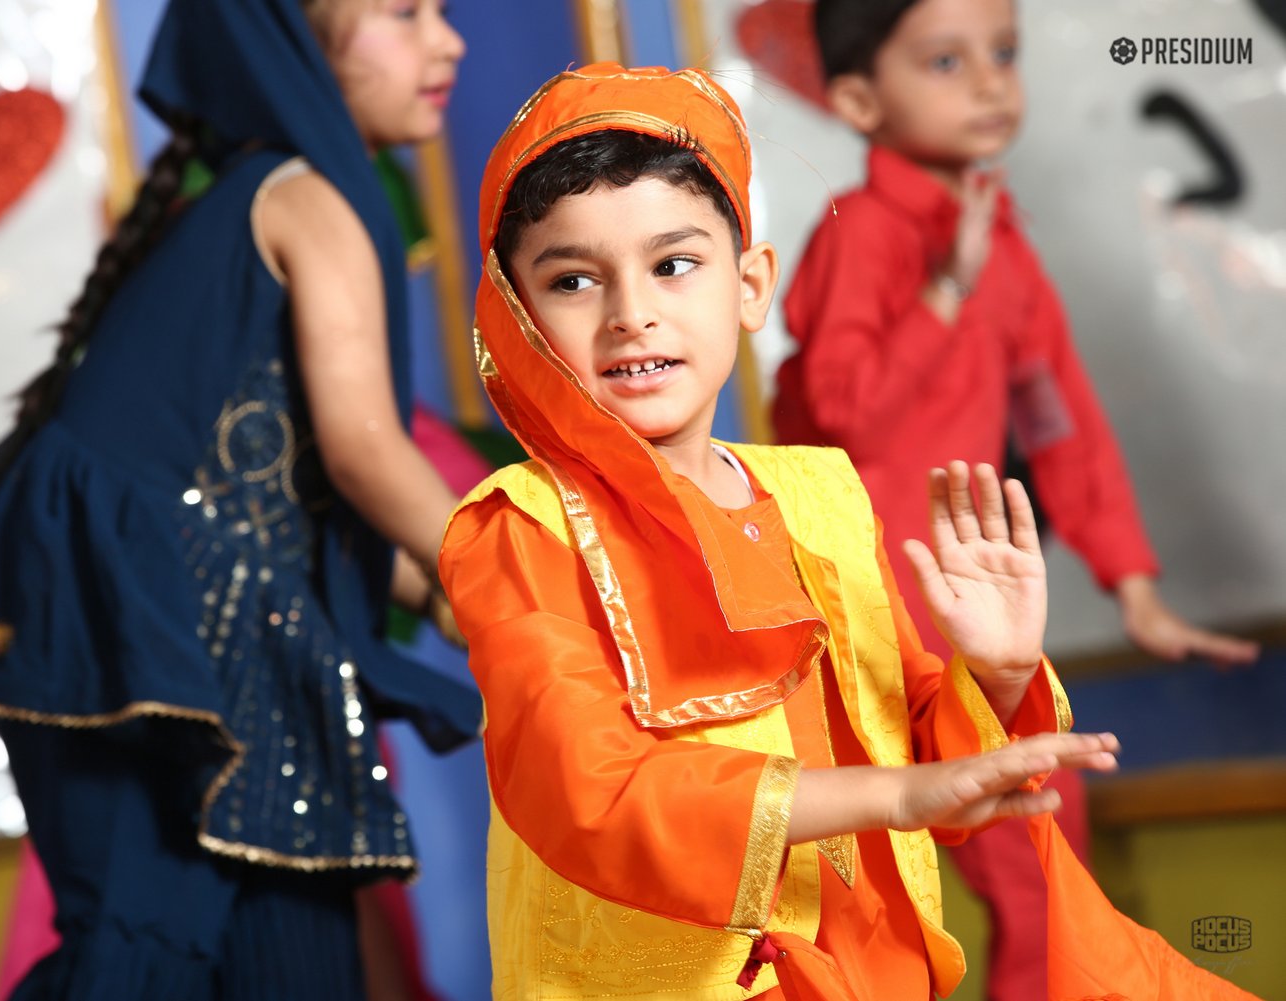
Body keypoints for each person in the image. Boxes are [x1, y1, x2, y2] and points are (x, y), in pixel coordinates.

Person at [438, 62, 1259, 1000]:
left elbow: (922, 761)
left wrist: (993, 669)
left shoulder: (821, 495)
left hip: (866, 971)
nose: (633, 314)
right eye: (574, 280)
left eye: (673, 264)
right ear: (518, 318)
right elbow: (590, 794)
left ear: (750, 285)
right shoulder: (519, 528)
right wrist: (895, 797)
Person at [0, 0, 480, 997]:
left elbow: (282, 494)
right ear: (289, 40)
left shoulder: (257, 196)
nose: (446, 40)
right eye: (404, 12)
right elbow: (368, 455)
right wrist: (528, 574)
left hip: (199, 619)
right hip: (150, 624)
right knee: (151, 946)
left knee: (273, 932)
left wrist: (464, 601)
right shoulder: (310, 200)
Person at [772, 0, 1259, 995]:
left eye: (1004, 53)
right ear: (860, 98)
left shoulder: (999, 238)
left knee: (1040, 862)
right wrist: (945, 293)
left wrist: (1133, 581)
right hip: (868, 606)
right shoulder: (862, 232)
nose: (991, 81)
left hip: (968, 610)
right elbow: (837, 404)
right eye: (946, 61)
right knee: (867, 896)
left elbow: (1057, 416)